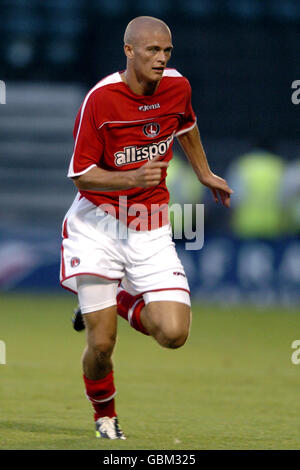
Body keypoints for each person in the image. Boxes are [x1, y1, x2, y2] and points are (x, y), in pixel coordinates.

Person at [60, 16, 233, 440]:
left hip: (149, 227)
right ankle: (105, 418)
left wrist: (205, 172)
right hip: (98, 224)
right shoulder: (100, 99)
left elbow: (186, 126)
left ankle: (116, 299)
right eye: (152, 50)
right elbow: (81, 174)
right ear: (129, 51)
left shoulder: (178, 87)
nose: (161, 59)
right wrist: (131, 180)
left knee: (173, 334)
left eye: (167, 51)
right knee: (101, 345)